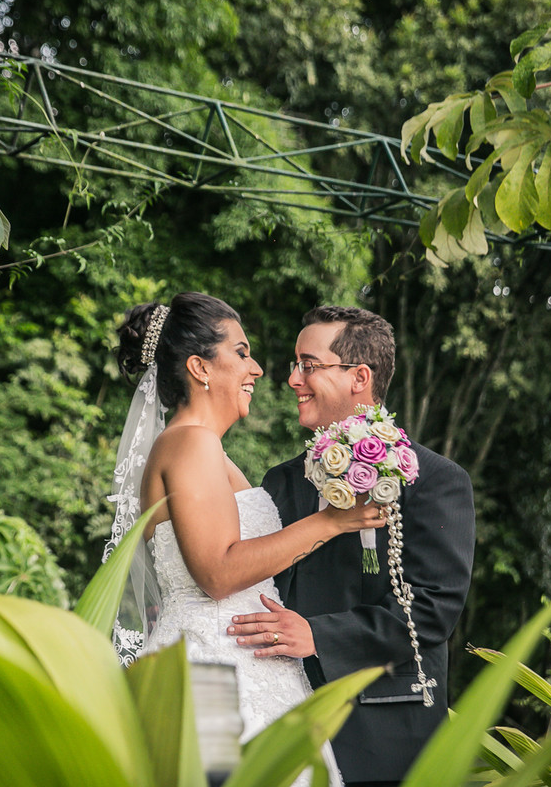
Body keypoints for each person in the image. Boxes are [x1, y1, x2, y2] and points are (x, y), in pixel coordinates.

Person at [105, 293, 382, 787]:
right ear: (200, 368)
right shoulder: (189, 443)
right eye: (241, 352)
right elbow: (218, 573)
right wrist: (332, 522)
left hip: (247, 664)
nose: (256, 368)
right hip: (213, 670)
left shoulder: (207, 450)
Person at [228, 306, 476, 786]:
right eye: (295, 364)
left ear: (359, 377)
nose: (292, 379)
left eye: (308, 365)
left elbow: (432, 607)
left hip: (385, 733)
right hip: (287, 723)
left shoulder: (436, 481)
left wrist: (318, 636)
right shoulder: (280, 482)